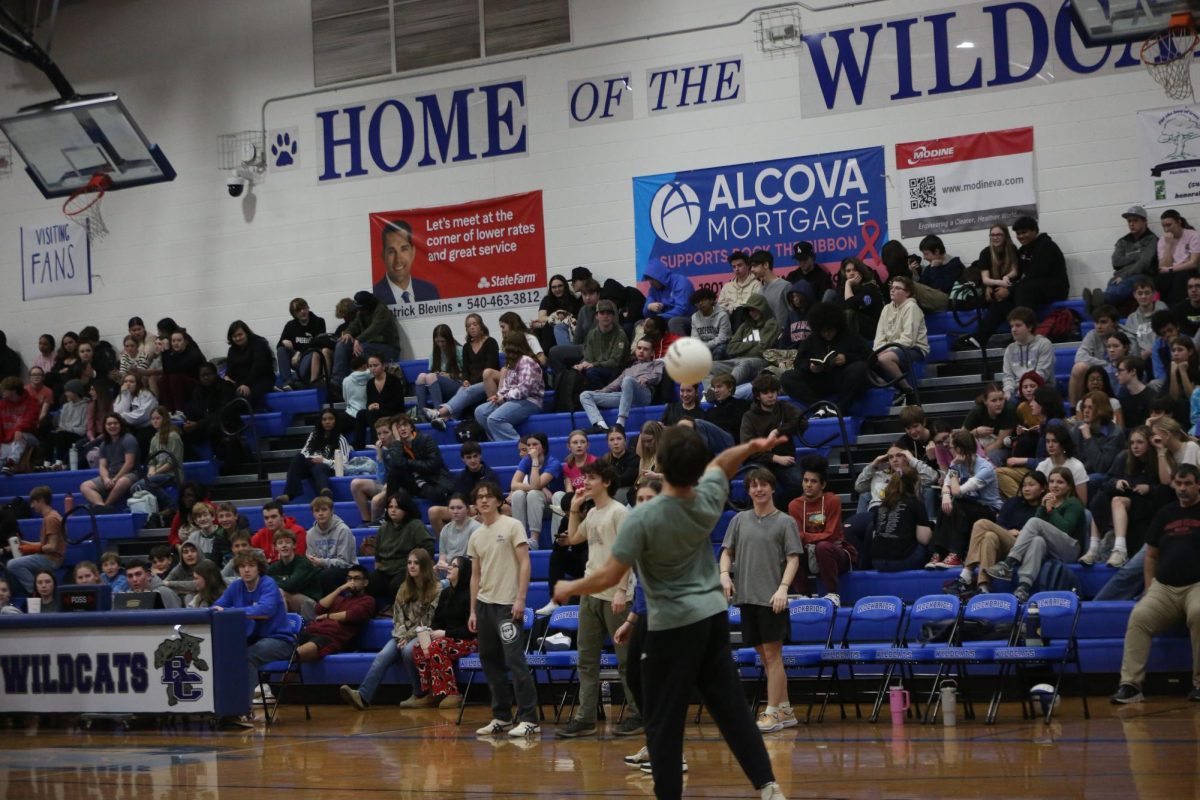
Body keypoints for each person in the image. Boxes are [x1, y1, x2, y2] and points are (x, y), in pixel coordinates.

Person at [551, 425, 789, 800]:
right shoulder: (706, 498)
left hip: (672, 627)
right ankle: (768, 786)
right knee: (732, 709)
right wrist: (752, 445)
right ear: (696, 469)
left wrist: (570, 587)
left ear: (661, 465)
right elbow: (722, 465)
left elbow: (610, 575)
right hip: (712, 620)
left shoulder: (641, 519)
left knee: (663, 722)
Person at [554, 459, 643, 738]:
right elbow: (574, 539)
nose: (585, 483)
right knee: (587, 659)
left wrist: (620, 589)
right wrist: (574, 508)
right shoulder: (592, 514)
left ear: (606, 482)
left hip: (615, 595)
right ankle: (586, 717)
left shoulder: (619, 513)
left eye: (591, 478)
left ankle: (638, 713)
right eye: (584, 478)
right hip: (590, 595)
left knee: (626, 660)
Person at [1109, 463, 1200, 704]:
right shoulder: (1166, 513)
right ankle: (1130, 685)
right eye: (1178, 484)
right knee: (1139, 617)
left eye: (1188, 483)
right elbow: (1151, 555)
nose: (1182, 488)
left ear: (1198, 485)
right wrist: (1150, 589)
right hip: (1165, 588)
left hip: (1197, 586)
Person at [720, 467, 801, 732]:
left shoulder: (785, 521)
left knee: (773, 655)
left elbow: (793, 558)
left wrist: (783, 588)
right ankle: (786, 708)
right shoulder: (739, 520)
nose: (758, 490)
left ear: (772, 488)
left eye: (762, 485)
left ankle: (772, 712)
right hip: (747, 597)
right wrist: (724, 574)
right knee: (765, 658)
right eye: (753, 485)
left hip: (772, 599)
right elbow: (726, 552)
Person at [468, 480, 540, 738]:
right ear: (475, 504)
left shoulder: (512, 526)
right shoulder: (475, 535)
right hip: (485, 606)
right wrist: (473, 611)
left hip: (508, 604)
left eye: (488, 496)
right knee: (490, 662)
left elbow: (525, 563)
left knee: (515, 660)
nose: (484, 500)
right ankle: (502, 716)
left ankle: (529, 718)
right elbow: (475, 576)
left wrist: (520, 598)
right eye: (479, 497)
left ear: (499, 501)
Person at [956, 217, 1069, 350]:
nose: (1021, 236)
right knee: (1001, 297)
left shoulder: (1046, 246)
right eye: (1018, 233)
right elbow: (1017, 277)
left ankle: (1026, 332)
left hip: (1055, 288)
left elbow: (1034, 277)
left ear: (1035, 231)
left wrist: (1009, 290)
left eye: (1024, 232)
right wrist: (994, 288)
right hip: (1035, 288)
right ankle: (980, 337)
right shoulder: (1024, 250)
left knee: (1022, 290)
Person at [212, 550, 295, 728]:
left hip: (280, 640)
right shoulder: (235, 587)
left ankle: (242, 709)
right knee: (225, 655)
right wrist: (225, 610)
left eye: (251, 566)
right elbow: (217, 606)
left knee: (248, 656)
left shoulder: (268, 584)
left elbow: (265, 610)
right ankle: (222, 709)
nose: (246, 570)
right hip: (252, 641)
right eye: (242, 566)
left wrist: (230, 611)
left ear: (259, 568)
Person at [984, 466, 1086, 602]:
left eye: (1060, 482)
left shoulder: (1073, 503)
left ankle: (1009, 562)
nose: (1054, 485)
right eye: (1052, 482)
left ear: (1069, 486)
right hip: (1051, 548)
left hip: (1071, 549)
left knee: (1034, 523)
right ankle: (1024, 587)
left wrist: (1050, 510)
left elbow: (1065, 528)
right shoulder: (1047, 500)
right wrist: (1043, 507)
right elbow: (1037, 525)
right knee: (1037, 540)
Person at [945, 471, 1049, 597]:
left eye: (1031, 485)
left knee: (981, 523)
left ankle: (966, 574)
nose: (1026, 489)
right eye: (1024, 485)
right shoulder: (1013, 502)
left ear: (1043, 488)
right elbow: (999, 525)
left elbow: (1043, 532)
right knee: (989, 536)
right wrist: (1007, 532)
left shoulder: (1045, 508)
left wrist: (1022, 533)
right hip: (1007, 545)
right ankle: (983, 587)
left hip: (1028, 549)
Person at [1082, 426, 1160, 569]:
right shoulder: (1124, 457)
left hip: (1147, 502)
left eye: (1140, 442)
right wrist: (1116, 483)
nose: (1135, 446)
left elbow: (1165, 490)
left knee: (1117, 501)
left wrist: (1149, 488)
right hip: (1128, 497)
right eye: (1132, 443)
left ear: (1149, 443)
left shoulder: (1157, 460)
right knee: (1099, 499)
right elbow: (1108, 481)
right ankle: (1093, 547)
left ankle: (1120, 549)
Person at [780, 302, 873, 415]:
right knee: (787, 377)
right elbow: (798, 362)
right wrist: (810, 367)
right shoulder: (812, 339)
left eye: (830, 330)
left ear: (837, 326)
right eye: (823, 331)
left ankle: (839, 407)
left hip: (843, 379)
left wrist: (847, 358)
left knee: (860, 369)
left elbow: (871, 357)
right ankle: (819, 407)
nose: (827, 334)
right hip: (819, 380)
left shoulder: (850, 336)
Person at [409, 555, 476, 708]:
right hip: (447, 638)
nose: (449, 568)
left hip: (468, 640)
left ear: (464, 571)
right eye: (450, 565)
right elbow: (438, 620)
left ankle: (453, 693)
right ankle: (433, 692)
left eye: (454, 566)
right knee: (419, 648)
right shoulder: (446, 593)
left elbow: (470, 630)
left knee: (437, 646)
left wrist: (445, 633)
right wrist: (428, 632)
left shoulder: (470, 595)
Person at [928, 430, 1002, 569]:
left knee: (957, 503)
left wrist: (953, 467)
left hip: (990, 510)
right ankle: (938, 552)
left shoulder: (985, 468)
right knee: (946, 505)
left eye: (951, 447)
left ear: (960, 449)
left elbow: (956, 491)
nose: (949, 450)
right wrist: (945, 496)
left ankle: (957, 554)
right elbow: (946, 486)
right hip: (969, 507)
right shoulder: (960, 464)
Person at [787, 455, 852, 605]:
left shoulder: (832, 500)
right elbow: (796, 537)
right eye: (806, 480)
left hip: (835, 552)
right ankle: (804, 594)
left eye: (814, 481)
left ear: (823, 485)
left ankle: (832, 594)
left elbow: (831, 535)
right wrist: (805, 538)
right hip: (808, 553)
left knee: (822, 547)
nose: (808, 485)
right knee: (792, 549)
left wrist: (805, 537)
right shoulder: (794, 505)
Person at [740, 373, 805, 502]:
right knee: (761, 484)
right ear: (758, 396)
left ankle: (780, 509)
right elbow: (749, 447)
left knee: (799, 483)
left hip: (785, 458)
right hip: (758, 461)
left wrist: (777, 431)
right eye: (766, 393)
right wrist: (774, 458)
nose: (771, 395)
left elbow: (802, 422)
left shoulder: (784, 407)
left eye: (773, 391)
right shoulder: (749, 417)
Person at [1081, 205, 1159, 312]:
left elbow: (1144, 263)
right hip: (1120, 276)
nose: (1131, 224)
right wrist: (1136, 255)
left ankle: (1097, 303)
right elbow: (1116, 262)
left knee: (1124, 284)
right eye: (1129, 221)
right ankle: (1098, 305)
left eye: (1135, 220)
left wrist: (1125, 273)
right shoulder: (1123, 241)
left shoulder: (1152, 240)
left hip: (1142, 276)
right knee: (1113, 283)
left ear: (1144, 221)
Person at [430, 313, 500, 428]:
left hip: (489, 382)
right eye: (468, 326)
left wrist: (471, 383)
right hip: (473, 383)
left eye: (474, 324)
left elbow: (490, 366)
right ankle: (445, 419)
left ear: (481, 326)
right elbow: (466, 369)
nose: (472, 327)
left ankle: (439, 412)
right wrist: (466, 380)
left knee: (467, 391)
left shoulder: (490, 342)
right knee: (462, 389)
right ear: (466, 329)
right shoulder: (467, 346)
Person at [580, 338, 663, 434]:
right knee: (585, 395)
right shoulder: (629, 369)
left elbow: (657, 376)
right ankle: (601, 426)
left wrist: (646, 379)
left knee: (627, 380)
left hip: (643, 395)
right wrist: (603, 391)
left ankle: (620, 422)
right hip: (625, 396)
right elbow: (616, 383)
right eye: (639, 348)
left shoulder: (657, 363)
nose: (641, 351)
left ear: (652, 353)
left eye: (645, 349)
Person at [366, 490, 434, 607]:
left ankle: (398, 611)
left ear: (406, 509)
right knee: (368, 582)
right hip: (386, 569)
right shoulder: (384, 527)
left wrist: (417, 567)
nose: (393, 510)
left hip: (406, 569)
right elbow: (377, 553)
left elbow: (428, 549)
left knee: (396, 585)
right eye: (390, 507)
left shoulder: (415, 525)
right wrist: (378, 569)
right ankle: (374, 610)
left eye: (397, 507)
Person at [295, 564, 375, 663]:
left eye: (357, 578)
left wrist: (327, 616)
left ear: (365, 582)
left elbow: (352, 615)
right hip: (311, 631)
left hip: (331, 638)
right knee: (285, 652)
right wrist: (339, 589)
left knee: (295, 655)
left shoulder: (368, 600)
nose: (352, 582)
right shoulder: (339, 599)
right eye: (349, 578)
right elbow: (319, 608)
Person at [474, 332, 543, 442]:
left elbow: (525, 389)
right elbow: (507, 386)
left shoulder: (526, 361)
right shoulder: (511, 364)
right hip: (512, 400)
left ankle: (518, 448)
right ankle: (498, 443)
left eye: (507, 346)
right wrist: (499, 396)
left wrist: (505, 397)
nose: (506, 350)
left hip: (529, 401)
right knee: (480, 411)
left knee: (495, 419)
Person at [873, 275, 928, 407]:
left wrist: (885, 350)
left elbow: (908, 339)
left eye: (897, 288)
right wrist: (879, 350)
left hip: (914, 348)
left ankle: (908, 390)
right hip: (890, 349)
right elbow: (879, 338)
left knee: (884, 359)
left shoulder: (911, 307)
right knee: (864, 362)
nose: (892, 290)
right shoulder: (886, 309)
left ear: (907, 293)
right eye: (892, 287)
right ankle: (893, 390)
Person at [865, 466, 933, 572]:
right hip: (901, 561)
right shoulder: (915, 503)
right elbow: (924, 539)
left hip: (877, 561)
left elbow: (875, 535)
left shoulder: (882, 504)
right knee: (926, 546)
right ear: (915, 484)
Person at [276, 408, 351, 504]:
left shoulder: (341, 439)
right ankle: (288, 495)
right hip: (310, 464)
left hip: (327, 467)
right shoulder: (313, 435)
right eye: (324, 419)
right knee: (298, 457)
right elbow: (304, 452)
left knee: (319, 467)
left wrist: (323, 460)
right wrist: (310, 460)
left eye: (331, 419)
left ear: (336, 420)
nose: (327, 422)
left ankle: (325, 492)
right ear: (320, 421)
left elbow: (344, 464)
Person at [707, 293, 780, 391]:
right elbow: (730, 349)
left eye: (755, 309)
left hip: (759, 362)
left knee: (744, 363)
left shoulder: (771, 324)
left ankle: (727, 391)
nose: (752, 313)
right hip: (737, 360)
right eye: (750, 310)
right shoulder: (745, 326)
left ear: (762, 308)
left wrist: (741, 348)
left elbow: (761, 350)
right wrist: (752, 343)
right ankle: (709, 393)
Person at [6, 486, 66, 597]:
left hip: (51, 560)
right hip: (49, 557)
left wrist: (32, 549)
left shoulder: (51, 519)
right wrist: (24, 543)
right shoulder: (52, 516)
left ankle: (36, 592)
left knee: (12, 565)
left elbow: (52, 547)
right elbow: (44, 545)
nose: (32, 506)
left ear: (41, 501)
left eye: (33, 502)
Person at [332, 291, 401, 384]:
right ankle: (338, 383)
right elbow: (354, 325)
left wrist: (358, 340)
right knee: (342, 344)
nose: (358, 310)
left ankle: (357, 382)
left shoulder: (381, 310)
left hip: (388, 347)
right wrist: (348, 333)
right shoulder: (361, 311)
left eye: (360, 308)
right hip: (369, 344)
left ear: (367, 306)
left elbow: (373, 330)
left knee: (361, 348)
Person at [383, 414, 454, 503]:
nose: (402, 429)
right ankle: (389, 507)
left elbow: (433, 464)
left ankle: (422, 485)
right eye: (398, 427)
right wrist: (397, 440)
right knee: (394, 472)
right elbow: (395, 464)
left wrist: (407, 463)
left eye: (405, 425)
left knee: (436, 494)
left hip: (434, 479)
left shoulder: (425, 439)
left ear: (411, 427)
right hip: (414, 482)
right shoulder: (398, 446)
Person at [508, 432, 562, 547]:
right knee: (517, 494)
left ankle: (534, 539)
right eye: (529, 445)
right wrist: (541, 488)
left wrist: (535, 461)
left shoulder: (554, 463)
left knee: (533, 494)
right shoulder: (526, 460)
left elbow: (536, 485)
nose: (531, 448)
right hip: (536, 503)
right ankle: (520, 538)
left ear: (544, 447)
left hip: (552, 502)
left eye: (535, 444)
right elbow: (514, 484)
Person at [372, 218, 439, 304]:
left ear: (413, 252)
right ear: (383, 256)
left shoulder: (430, 292)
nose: (398, 260)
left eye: (404, 249)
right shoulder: (375, 298)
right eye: (391, 251)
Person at [79, 414, 139, 509]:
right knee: (85, 486)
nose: (112, 426)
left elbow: (129, 464)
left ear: (121, 425)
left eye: (115, 423)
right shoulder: (104, 444)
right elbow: (102, 466)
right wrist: (106, 479)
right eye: (109, 424)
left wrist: (115, 479)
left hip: (131, 474)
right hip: (111, 475)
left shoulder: (129, 439)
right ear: (105, 427)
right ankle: (101, 506)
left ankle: (106, 506)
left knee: (121, 481)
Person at [306, 495, 358, 593]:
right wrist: (314, 562)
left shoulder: (343, 530)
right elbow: (311, 560)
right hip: (322, 568)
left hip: (347, 570)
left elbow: (344, 563)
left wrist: (322, 562)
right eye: (317, 511)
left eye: (324, 510)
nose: (320, 513)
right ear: (313, 513)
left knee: (327, 575)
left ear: (332, 511)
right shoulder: (310, 534)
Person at [1001, 307, 1054, 400]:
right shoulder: (1010, 349)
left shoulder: (1044, 344)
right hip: (1018, 392)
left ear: (1029, 327)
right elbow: (1008, 376)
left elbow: (1042, 374)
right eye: (1012, 326)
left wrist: (1024, 389)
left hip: (1040, 389)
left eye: (1018, 325)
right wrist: (1008, 392)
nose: (1013, 329)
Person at [276, 297, 330, 388]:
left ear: (308, 308)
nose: (302, 312)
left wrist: (299, 353)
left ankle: (296, 380)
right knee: (281, 350)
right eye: (298, 310)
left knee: (314, 351)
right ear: (294, 314)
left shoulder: (319, 321)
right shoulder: (290, 325)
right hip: (295, 360)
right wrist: (283, 342)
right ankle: (288, 382)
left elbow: (318, 342)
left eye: (304, 308)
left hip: (310, 357)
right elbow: (279, 346)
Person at [268, 529, 323, 618]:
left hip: (310, 603)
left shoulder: (304, 563)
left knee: (279, 592)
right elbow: (266, 584)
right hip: (289, 600)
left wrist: (276, 581)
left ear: (294, 545)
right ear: (275, 547)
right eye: (280, 543)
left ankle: (282, 626)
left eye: (287, 542)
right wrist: (284, 580)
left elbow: (292, 585)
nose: (284, 545)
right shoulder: (274, 567)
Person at [413, 324, 465, 416]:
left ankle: (439, 413)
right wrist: (437, 375)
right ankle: (421, 415)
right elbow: (431, 373)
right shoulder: (434, 353)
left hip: (458, 385)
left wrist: (450, 375)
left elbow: (467, 375)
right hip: (437, 386)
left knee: (430, 376)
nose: (440, 344)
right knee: (421, 376)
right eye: (437, 341)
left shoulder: (460, 351)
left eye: (443, 341)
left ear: (449, 339)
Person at [352, 416, 394, 526]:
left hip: (399, 487)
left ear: (394, 432)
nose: (382, 437)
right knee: (356, 484)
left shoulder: (400, 447)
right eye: (379, 434)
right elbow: (381, 479)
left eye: (386, 432)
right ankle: (366, 521)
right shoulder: (383, 450)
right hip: (386, 486)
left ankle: (373, 528)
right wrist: (379, 456)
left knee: (376, 500)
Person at [963, 383, 1019, 466]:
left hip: (1005, 449)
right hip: (980, 448)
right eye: (994, 400)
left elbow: (1000, 443)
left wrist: (980, 456)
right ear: (985, 401)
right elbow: (961, 436)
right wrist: (976, 432)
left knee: (992, 456)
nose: (998, 404)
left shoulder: (1009, 410)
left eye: (1001, 399)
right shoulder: (977, 410)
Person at [224, 320, 275, 410]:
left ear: (246, 333)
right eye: (234, 336)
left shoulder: (259, 344)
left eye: (240, 335)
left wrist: (246, 384)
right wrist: (227, 377)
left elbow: (259, 367)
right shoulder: (232, 350)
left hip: (261, 379)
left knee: (247, 399)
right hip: (240, 382)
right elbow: (229, 369)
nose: (238, 338)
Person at [1156, 208, 1200, 304]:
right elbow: (1163, 266)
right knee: (1161, 280)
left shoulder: (1193, 235)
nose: (1166, 229)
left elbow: (1194, 263)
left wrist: (1171, 269)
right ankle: (1164, 310)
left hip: (1188, 270)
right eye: (1163, 226)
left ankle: (1177, 311)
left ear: (1178, 222)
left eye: (1169, 225)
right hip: (1170, 272)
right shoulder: (1162, 240)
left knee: (1179, 279)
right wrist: (1168, 245)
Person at [642, 256, 694, 334]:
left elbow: (682, 310)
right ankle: (646, 346)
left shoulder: (681, 282)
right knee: (640, 323)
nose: (650, 283)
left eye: (652, 279)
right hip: (665, 318)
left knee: (674, 322)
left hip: (688, 318)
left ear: (659, 276)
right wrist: (649, 307)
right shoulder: (653, 288)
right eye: (648, 280)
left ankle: (682, 346)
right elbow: (645, 312)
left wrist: (658, 318)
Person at [835, 257, 884, 339]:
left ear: (861, 271)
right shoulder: (844, 289)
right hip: (856, 328)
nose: (851, 273)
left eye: (855, 270)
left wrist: (848, 284)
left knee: (849, 313)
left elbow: (850, 305)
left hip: (872, 328)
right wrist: (848, 285)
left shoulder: (870, 287)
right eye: (848, 271)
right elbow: (839, 307)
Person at [0, 376, 40, 474]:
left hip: (29, 437)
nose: (2, 392)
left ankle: (11, 463)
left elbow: (30, 420)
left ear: (13, 391)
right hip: (8, 439)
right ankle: (7, 467)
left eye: (4, 390)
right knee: (4, 454)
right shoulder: (2, 404)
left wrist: (19, 429)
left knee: (21, 436)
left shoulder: (31, 401)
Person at [532, 273, 581, 351]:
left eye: (560, 286)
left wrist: (543, 324)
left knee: (550, 327)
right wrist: (554, 319)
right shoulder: (546, 300)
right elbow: (541, 317)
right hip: (548, 330)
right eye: (554, 287)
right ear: (550, 289)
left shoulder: (572, 300)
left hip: (565, 330)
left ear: (565, 286)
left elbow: (571, 320)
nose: (557, 289)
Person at [435, 494, 479, 574]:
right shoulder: (445, 529)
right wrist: (440, 564)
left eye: (459, 508)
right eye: (452, 508)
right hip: (448, 571)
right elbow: (442, 558)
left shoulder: (476, 528)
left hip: (466, 572)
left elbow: (474, 560)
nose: (455, 511)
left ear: (467, 509)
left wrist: (452, 567)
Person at [750, 249, 790, 329]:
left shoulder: (785, 286)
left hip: (784, 335)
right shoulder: (759, 290)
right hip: (767, 336)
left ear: (766, 265)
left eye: (755, 265)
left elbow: (793, 313)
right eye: (751, 266)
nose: (752, 269)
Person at [689, 287, 731, 358]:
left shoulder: (722, 315)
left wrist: (705, 346)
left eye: (703, 300)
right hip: (703, 345)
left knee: (719, 351)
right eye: (697, 302)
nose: (700, 303)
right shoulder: (694, 317)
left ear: (711, 300)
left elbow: (722, 337)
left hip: (720, 344)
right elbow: (695, 338)